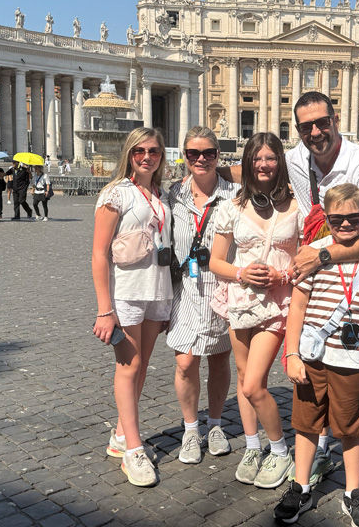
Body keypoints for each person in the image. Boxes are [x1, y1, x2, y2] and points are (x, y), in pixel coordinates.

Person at [283, 92, 359, 509]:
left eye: (322, 122)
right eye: (306, 126)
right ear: (298, 130)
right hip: (319, 282)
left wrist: (323, 255)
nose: (315, 132)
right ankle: (319, 450)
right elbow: (258, 169)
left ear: (335, 119)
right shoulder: (297, 160)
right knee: (317, 371)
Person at [275, 184, 359, 527]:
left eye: (353, 218)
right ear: (326, 219)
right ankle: (300, 486)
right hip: (313, 356)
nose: (345, 224)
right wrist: (292, 354)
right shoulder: (312, 253)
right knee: (306, 423)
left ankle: (353, 492)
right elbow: (297, 308)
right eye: (337, 219)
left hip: (355, 359)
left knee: (353, 428)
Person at [209, 133, 303, 489]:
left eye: (270, 158)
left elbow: (306, 258)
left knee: (252, 385)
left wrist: (284, 275)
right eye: (257, 158)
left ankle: (279, 450)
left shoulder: (298, 205)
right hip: (240, 300)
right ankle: (252, 446)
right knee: (245, 376)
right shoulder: (231, 207)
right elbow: (216, 261)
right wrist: (241, 273)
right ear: (248, 163)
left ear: (280, 162)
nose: (263, 165)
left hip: (278, 303)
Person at [92, 127, 172, 488]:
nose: (146, 157)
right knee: (129, 366)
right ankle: (134, 451)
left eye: (153, 151)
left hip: (157, 290)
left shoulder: (161, 194)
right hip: (126, 293)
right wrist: (104, 309)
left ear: (161, 156)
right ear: (129, 154)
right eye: (139, 151)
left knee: (142, 367)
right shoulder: (116, 193)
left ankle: (122, 435)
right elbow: (99, 254)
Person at [165, 126, 238, 465]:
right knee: (185, 362)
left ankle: (216, 423)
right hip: (186, 286)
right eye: (194, 153)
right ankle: (191, 428)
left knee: (219, 359)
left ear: (218, 155)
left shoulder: (235, 193)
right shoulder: (173, 194)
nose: (201, 159)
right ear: (185, 156)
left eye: (209, 153)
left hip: (222, 286)